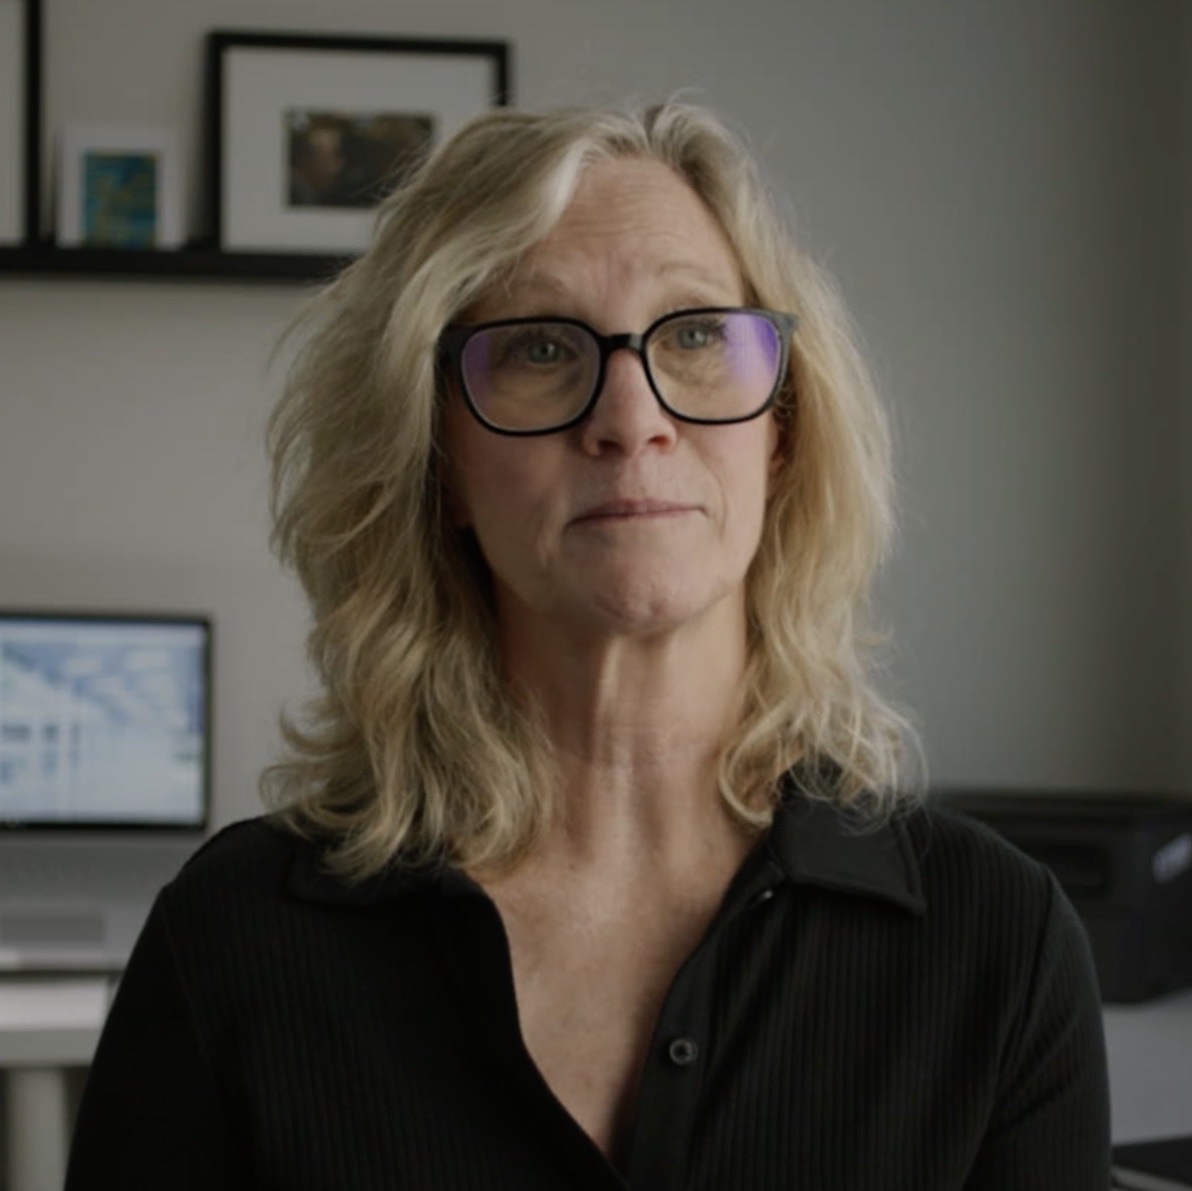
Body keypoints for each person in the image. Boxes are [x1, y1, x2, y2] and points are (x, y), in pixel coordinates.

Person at [65, 101, 1111, 1189]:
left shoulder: (998, 944)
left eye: (696, 334)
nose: (630, 417)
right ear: (438, 462)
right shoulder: (233, 940)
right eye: (538, 347)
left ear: (784, 436)